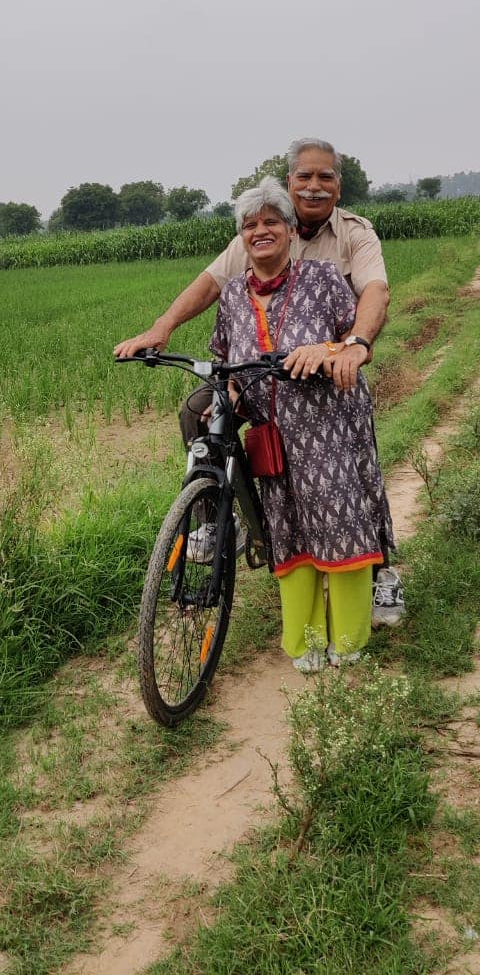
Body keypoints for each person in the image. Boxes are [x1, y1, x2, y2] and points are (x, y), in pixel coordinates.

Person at [115, 138, 403, 627]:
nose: (314, 186)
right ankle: (221, 515)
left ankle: (379, 572)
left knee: (349, 470)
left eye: (325, 177)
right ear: (289, 185)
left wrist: (353, 343)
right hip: (257, 376)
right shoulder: (259, 227)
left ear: (338, 184)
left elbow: (375, 290)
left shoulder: (354, 235)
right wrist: (161, 329)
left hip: (324, 370)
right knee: (200, 411)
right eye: (303, 177)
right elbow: (209, 285)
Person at [210, 176, 395, 672]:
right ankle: (305, 640)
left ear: (291, 231)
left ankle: (350, 637)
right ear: (242, 237)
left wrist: (330, 349)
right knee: (286, 530)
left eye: (272, 221)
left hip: (328, 427)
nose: (261, 231)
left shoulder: (322, 280)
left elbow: (357, 342)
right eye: (250, 225)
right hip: (271, 436)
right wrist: (225, 399)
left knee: (341, 523)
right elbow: (225, 359)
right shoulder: (231, 297)